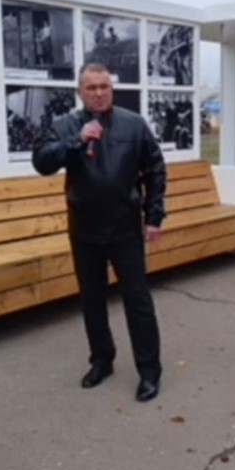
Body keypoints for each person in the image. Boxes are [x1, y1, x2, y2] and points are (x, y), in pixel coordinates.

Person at [32, 62, 167, 402]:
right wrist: (76, 142)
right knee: (92, 301)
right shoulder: (65, 125)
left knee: (138, 303)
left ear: (112, 88)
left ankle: (149, 371)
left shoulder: (133, 124)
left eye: (104, 86)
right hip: (84, 230)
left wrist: (154, 216)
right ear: (79, 92)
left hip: (125, 229)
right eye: (91, 88)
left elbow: (155, 169)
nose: (99, 93)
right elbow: (42, 161)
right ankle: (102, 360)